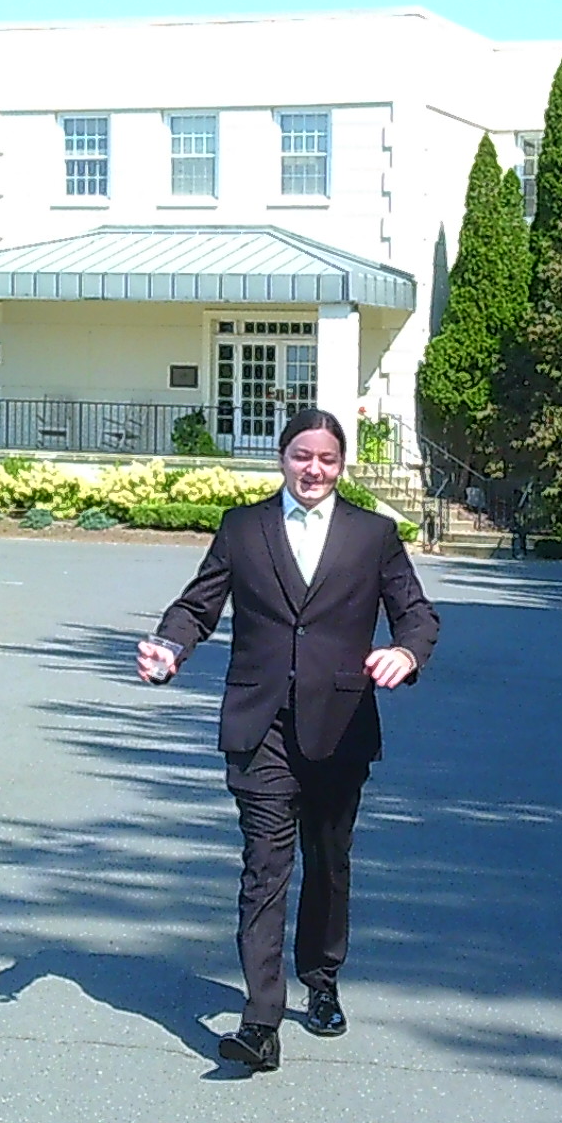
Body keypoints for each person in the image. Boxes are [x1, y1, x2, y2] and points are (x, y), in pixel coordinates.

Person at [138, 407, 440, 1074]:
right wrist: (168, 645)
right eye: (303, 456)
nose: (315, 469)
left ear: (342, 465)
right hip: (260, 724)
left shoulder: (374, 535)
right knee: (264, 870)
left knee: (328, 864)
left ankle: (322, 980)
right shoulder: (243, 528)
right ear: (282, 458)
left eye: (328, 459)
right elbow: (198, 605)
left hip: (341, 726)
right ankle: (261, 1020)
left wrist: (406, 654)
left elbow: (417, 615)